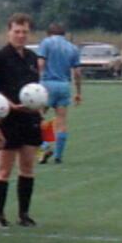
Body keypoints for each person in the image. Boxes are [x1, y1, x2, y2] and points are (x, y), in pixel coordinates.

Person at [0, 13, 42, 226]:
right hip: (8, 119)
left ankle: (24, 214)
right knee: (4, 169)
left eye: (25, 32)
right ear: (9, 32)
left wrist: (39, 103)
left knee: (28, 166)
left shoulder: (30, 57)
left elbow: (35, 87)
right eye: (17, 31)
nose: (21, 35)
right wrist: (8, 104)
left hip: (29, 119)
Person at [36, 22, 81, 164]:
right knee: (61, 121)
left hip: (47, 84)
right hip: (64, 86)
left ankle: (44, 146)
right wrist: (78, 92)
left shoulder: (46, 43)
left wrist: (35, 81)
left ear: (48, 33)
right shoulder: (72, 47)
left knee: (37, 117)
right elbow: (78, 72)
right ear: (64, 34)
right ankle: (58, 155)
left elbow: (41, 64)